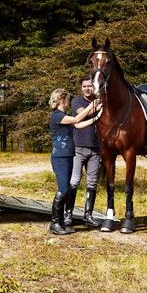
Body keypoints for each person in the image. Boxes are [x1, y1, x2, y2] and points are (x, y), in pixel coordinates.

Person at [48, 88, 99, 235]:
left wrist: (96, 118)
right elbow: (77, 119)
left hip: (68, 156)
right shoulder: (57, 116)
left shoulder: (64, 116)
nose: (69, 102)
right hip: (60, 158)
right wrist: (92, 106)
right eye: (68, 100)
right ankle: (55, 223)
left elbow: (78, 125)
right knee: (63, 189)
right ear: (61, 100)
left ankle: (61, 223)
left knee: (67, 190)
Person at [68, 75, 102, 229]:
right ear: (81, 88)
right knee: (74, 181)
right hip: (78, 147)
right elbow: (84, 114)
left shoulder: (100, 100)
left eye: (90, 86)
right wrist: (97, 106)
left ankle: (88, 215)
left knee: (92, 183)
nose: (87, 89)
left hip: (96, 149)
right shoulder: (76, 101)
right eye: (85, 86)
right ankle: (68, 214)